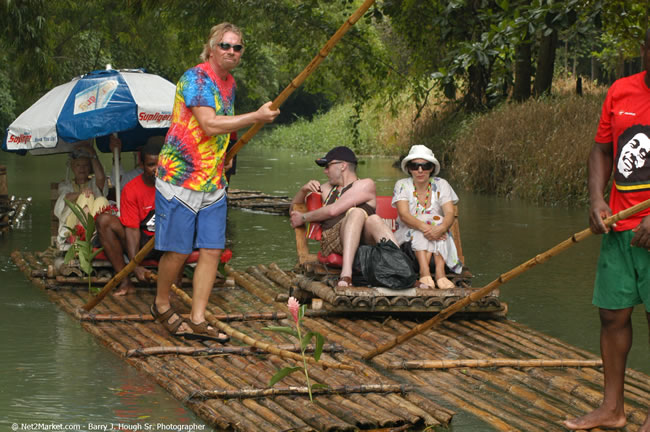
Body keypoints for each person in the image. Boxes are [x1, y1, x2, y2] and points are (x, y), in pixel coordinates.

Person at [153, 22, 279, 342]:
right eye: (225, 45)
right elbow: (208, 124)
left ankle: (197, 317)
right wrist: (257, 117)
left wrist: (227, 153)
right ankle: (161, 303)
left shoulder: (229, 83)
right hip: (180, 178)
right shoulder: (195, 78)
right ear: (211, 48)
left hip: (213, 179)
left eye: (237, 47)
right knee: (178, 251)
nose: (231, 52)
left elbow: (222, 127)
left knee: (211, 250)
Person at [563, 31, 650, 432]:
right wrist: (597, 198)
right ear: (646, 52)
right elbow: (601, 149)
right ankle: (612, 409)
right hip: (620, 228)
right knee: (612, 316)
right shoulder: (621, 91)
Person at [290, 146, 398, 287]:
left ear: (342, 166)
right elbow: (293, 208)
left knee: (373, 219)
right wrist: (303, 190)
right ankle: (346, 275)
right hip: (333, 240)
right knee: (357, 212)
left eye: (328, 166)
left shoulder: (365, 184)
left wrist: (304, 217)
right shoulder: (326, 189)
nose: (325, 171)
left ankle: (403, 270)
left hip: (364, 242)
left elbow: (333, 210)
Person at [95, 137, 163, 296]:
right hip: (141, 241)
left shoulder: (174, 184)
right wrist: (135, 265)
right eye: (151, 165)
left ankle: (172, 286)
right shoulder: (132, 188)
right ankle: (125, 282)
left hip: (165, 240)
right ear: (141, 165)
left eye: (160, 165)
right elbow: (132, 230)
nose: (156, 170)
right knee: (104, 221)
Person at [392, 145, 462, 289]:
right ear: (409, 168)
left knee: (440, 220)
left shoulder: (441, 184)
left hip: (438, 241)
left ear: (431, 168)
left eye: (425, 166)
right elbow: (404, 216)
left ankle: (439, 272)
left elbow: (449, 213)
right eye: (415, 166)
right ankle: (426, 272)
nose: (420, 170)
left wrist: (441, 228)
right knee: (421, 227)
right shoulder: (402, 185)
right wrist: (428, 229)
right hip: (408, 243)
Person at [53, 141, 109, 249]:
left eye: (85, 165)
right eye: (78, 165)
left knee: (101, 199)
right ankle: (82, 239)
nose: (82, 169)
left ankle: (88, 238)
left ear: (90, 168)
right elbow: (66, 198)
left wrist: (93, 154)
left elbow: (101, 178)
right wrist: (81, 194)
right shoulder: (66, 185)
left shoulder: (93, 183)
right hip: (72, 225)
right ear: (73, 168)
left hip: (95, 225)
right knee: (86, 197)